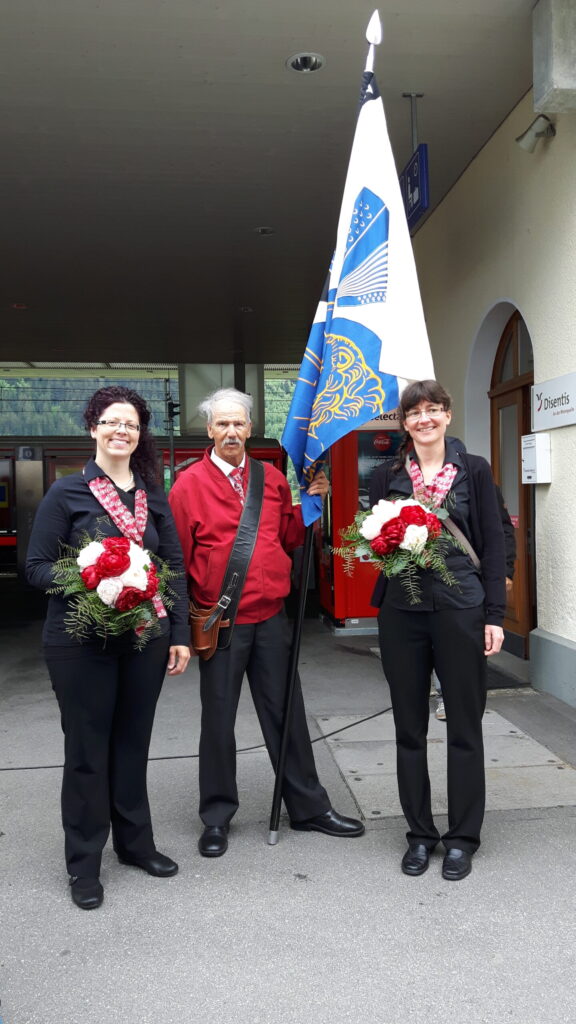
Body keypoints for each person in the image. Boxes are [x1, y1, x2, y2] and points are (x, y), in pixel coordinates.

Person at [168, 387, 364, 857]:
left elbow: (290, 536)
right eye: (222, 424)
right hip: (221, 622)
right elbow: (175, 561)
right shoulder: (187, 485)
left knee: (287, 715)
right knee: (218, 722)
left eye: (239, 423)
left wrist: (312, 502)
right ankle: (216, 817)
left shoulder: (272, 480)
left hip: (272, 618)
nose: (231, 431)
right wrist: (179, 630)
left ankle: (308, 808)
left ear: (250, 428)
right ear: (209, 430)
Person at [26, 387, 190, 909]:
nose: (123, 430)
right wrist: (95, 577)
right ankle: (84, 864)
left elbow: (176, 571)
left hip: (144, 638)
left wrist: (181, 634)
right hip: (81, 643)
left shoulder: (151, 494)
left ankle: (136, 845)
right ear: (93, 428)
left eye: (132, 424)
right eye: (112, 422)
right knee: (87, 752)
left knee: (132, 745)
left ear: (139, 435)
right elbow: (34, 568)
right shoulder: (66, 493)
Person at [369, 381, 506, 881]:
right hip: (401, 613)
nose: (424, 419)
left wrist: (495, 615)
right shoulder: (386, 475)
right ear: (403, 422)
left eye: (433, 410)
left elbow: (493, 545)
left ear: (447, 416)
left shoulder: (474, 470)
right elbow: (375, 540)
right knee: (410, 728)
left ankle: (463, 839)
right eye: (414, 412)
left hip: (461, 610)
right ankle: (420, 835)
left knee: (465, 728)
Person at [433, 471, 517, 721]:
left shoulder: (482, 485)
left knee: (462, 642)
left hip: (472, 578)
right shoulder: (416, 486)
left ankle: (455, 696)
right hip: (432, 581)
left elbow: (503, 531)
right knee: (439, 639)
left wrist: (506, 571)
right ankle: (444, 694)